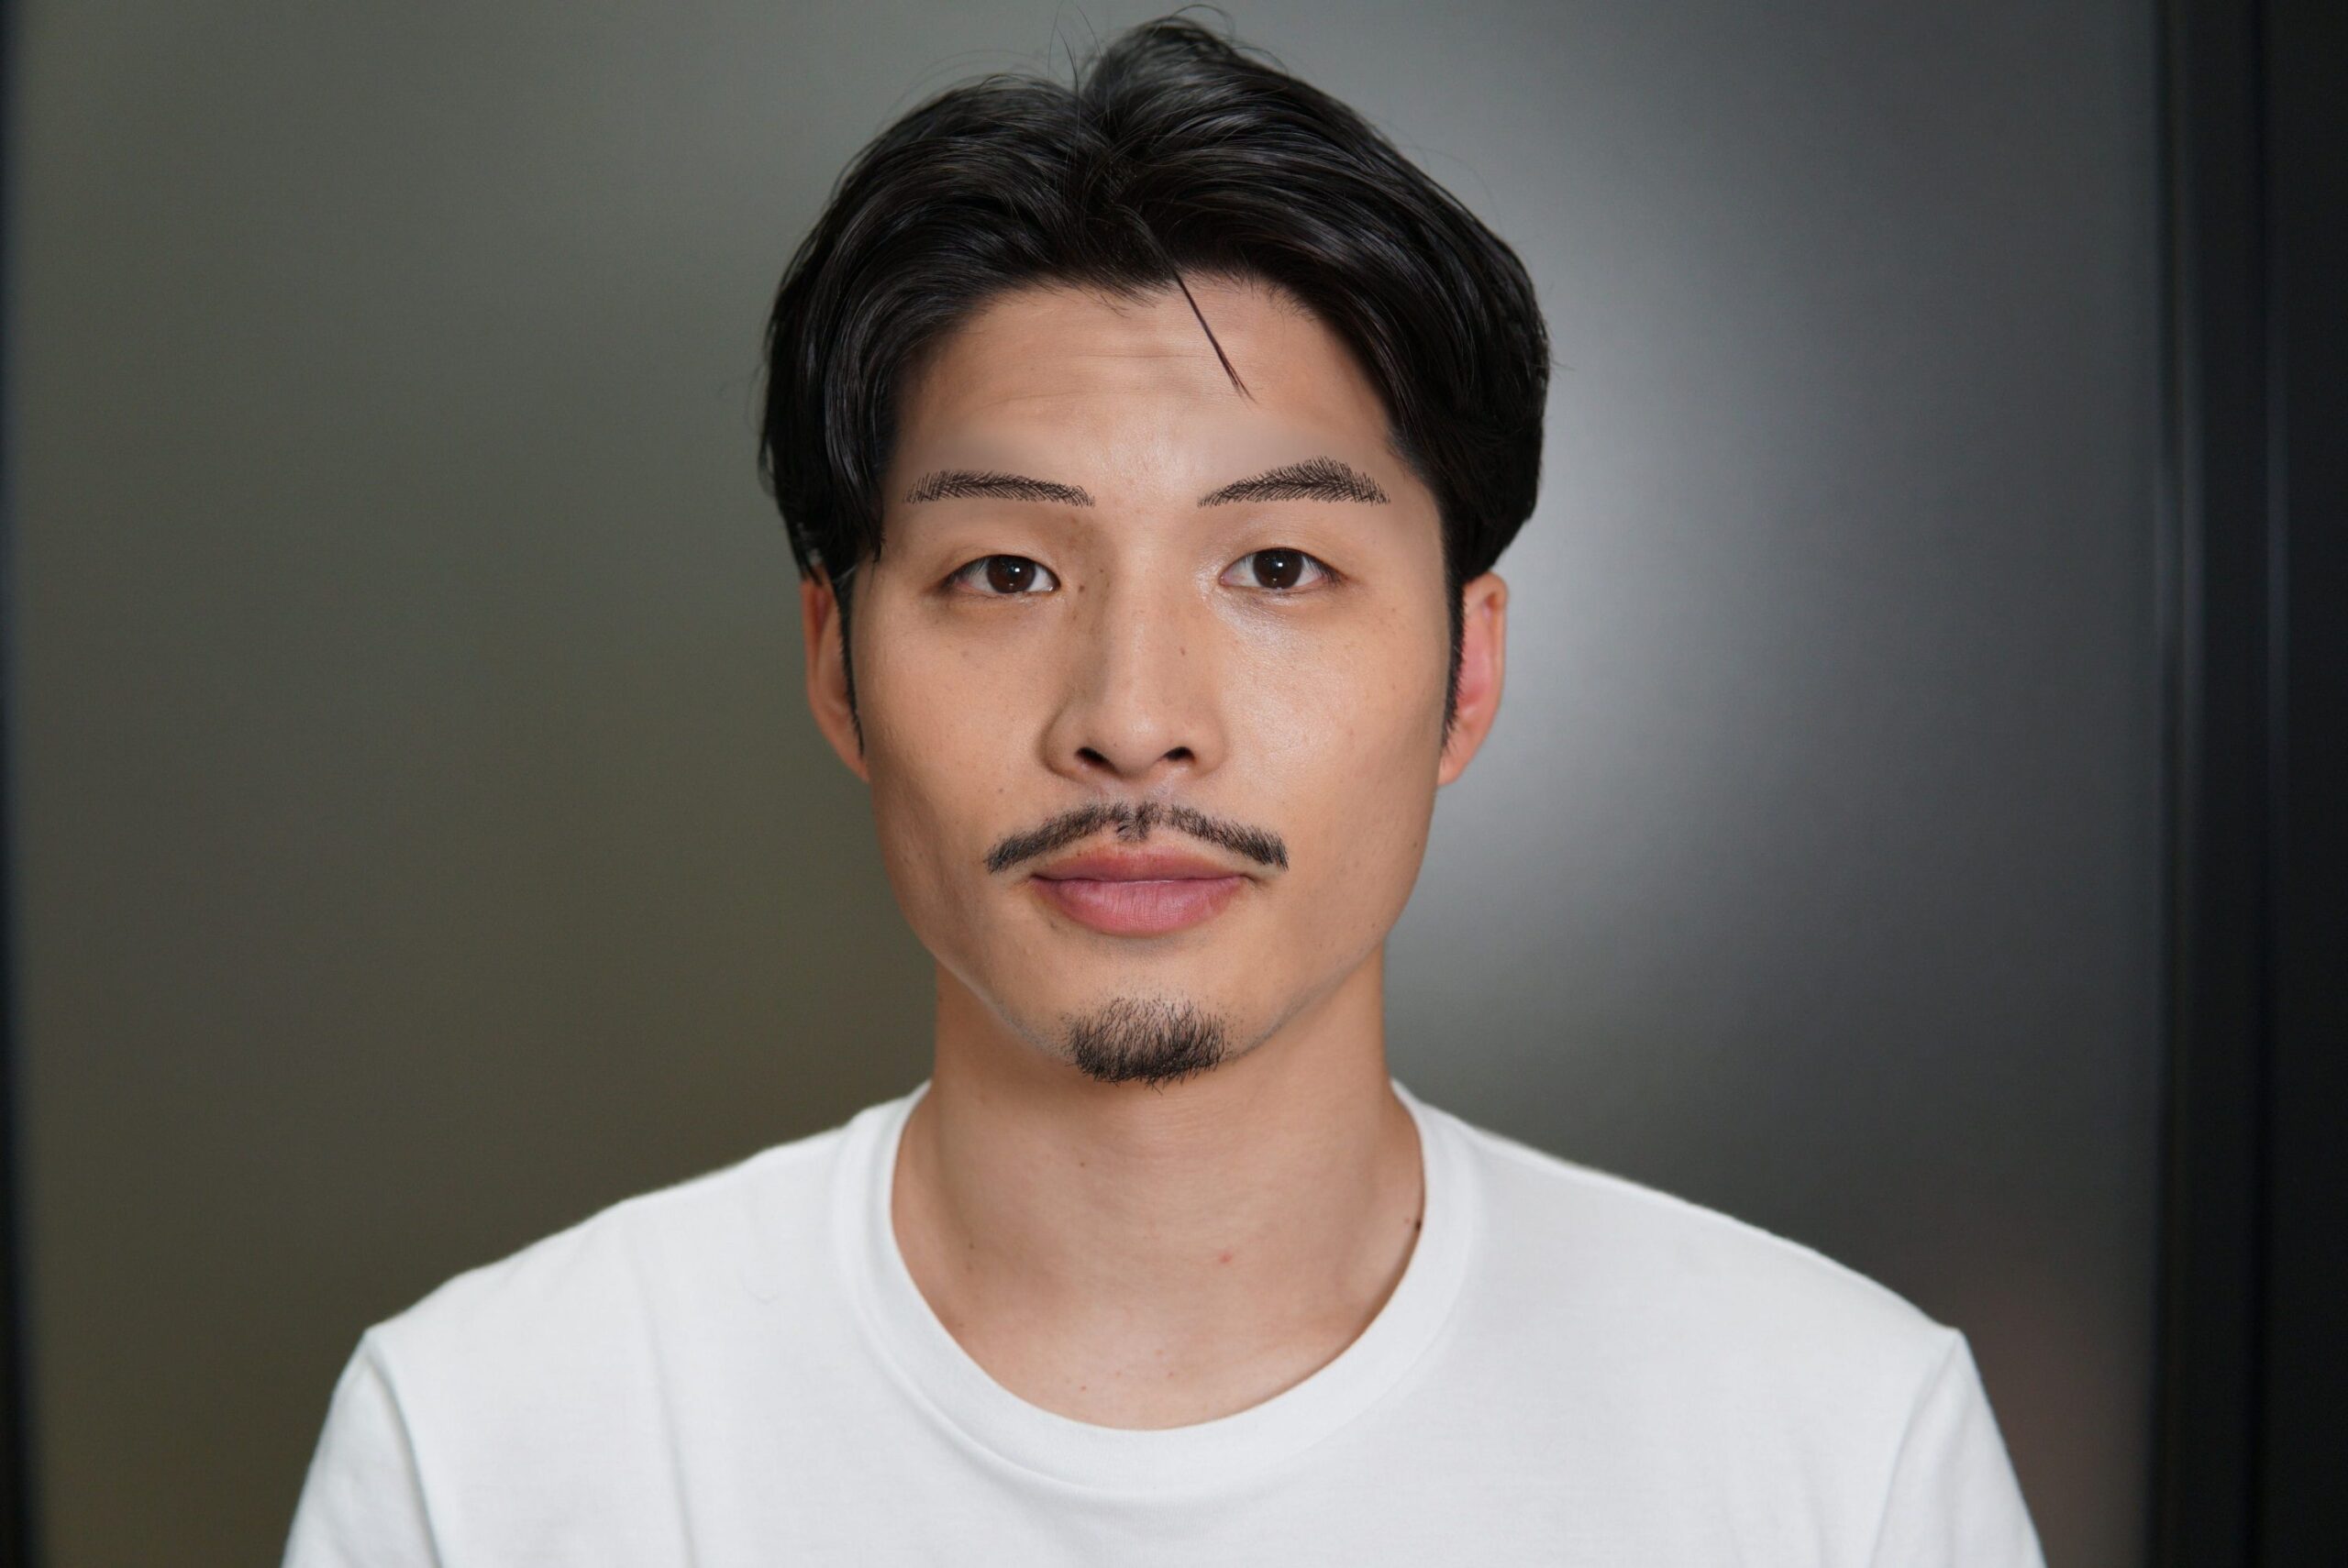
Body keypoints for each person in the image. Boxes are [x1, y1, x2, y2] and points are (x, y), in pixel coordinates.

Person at [282, 17, 2045, 1564]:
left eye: (1277, 566)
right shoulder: (492, 1447)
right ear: (836, 665)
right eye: (1006, 571)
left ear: (1468, 671)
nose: (1134, 722)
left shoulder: (1838, 1449)